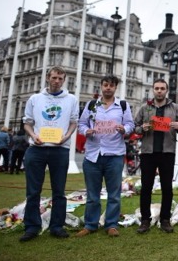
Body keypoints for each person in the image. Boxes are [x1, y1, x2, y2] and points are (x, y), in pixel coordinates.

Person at [20, 66, 79, 242]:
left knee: (59, 191)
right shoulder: (35, 98)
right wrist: (33, 135)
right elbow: (27, 123)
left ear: (64, 80)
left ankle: (57, 226)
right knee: (33, 191)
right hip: (36, 148)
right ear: (47, 78)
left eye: (61, 79)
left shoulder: (71, 99)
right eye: (54, 78)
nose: (57, 81)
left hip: (60, 149)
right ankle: (32, 226)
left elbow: (73, 122)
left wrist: (66, 137)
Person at [76, 74, 134, 238]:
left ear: (116, 88)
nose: (108, 87)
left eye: (111, 85)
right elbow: (81, 124)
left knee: (114, 193)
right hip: (93, 154)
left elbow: (130, 124)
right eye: (105, 85)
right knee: (92, 194)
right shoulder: (92, 105)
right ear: (101, 87)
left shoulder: (122, 106)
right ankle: (90, 224)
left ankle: (111, 224)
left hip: (114, 154)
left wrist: (125, 129)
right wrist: (85, 131)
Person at [134, 78, 178, 234]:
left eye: (162, 88)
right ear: (153, 90)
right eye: (157, 88)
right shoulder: (144, 108)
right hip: (148, 152)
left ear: (166, 90)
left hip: (167, 151)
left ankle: (165, 220)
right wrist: (142, 128)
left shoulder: (175, 108)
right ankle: (145, 220)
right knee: (146, 187)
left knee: (167, 188)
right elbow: (135, 127)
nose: (159, 91)